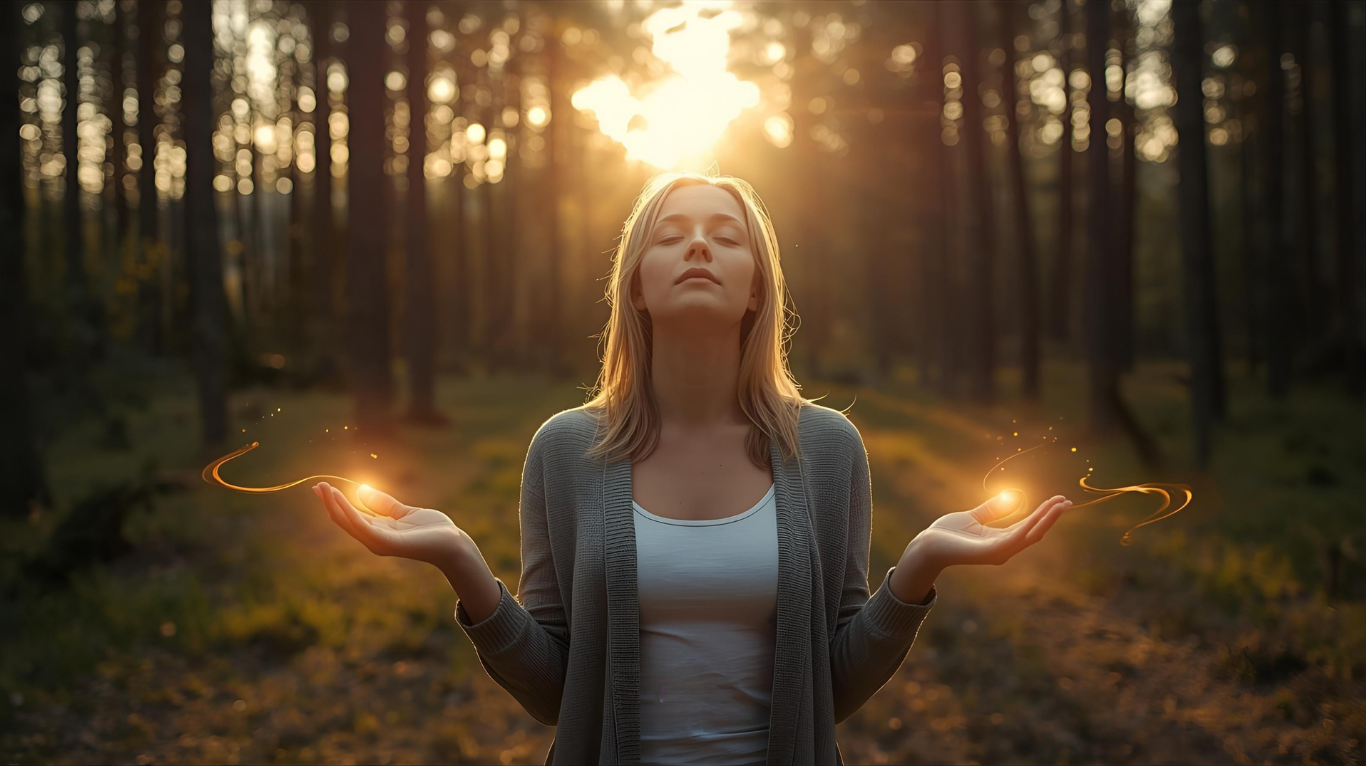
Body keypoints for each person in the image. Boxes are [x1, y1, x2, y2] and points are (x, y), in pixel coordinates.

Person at [311, 172, 1073, 765]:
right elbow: (555, 695)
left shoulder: (829, 449)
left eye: (725, 236)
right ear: (637, 285)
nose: (699, 246)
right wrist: (459, 561)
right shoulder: (565, 450)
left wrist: (920, 567)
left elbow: (829, 689)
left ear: (757, 288)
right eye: (671, 235)